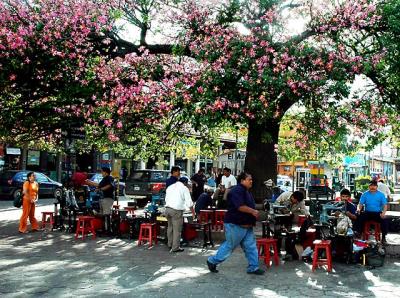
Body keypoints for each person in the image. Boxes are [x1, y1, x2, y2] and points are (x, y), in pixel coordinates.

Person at [207, 172, 264, 275]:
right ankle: (212, 261)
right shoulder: (237, 191)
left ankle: (253, 267)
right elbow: (240, 206)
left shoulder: (246, 191)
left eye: (251, 179)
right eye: (249, 179)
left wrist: (256, 209)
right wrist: (253, 211)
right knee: (230, 246)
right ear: (242, 181)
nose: (251, 181)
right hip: (236, 224)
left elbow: (248, 205)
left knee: (251, 246)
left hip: (246, 225)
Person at [165, 176, 195, 253]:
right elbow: (189, 202)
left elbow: (166, 199)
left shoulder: (170, 187)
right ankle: (175, 248)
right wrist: (193, 213)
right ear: (185, 183)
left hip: (167, 209)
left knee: (170, 227)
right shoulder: (184, 188)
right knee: (177, 230)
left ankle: (170, 244)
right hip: (176, 211)